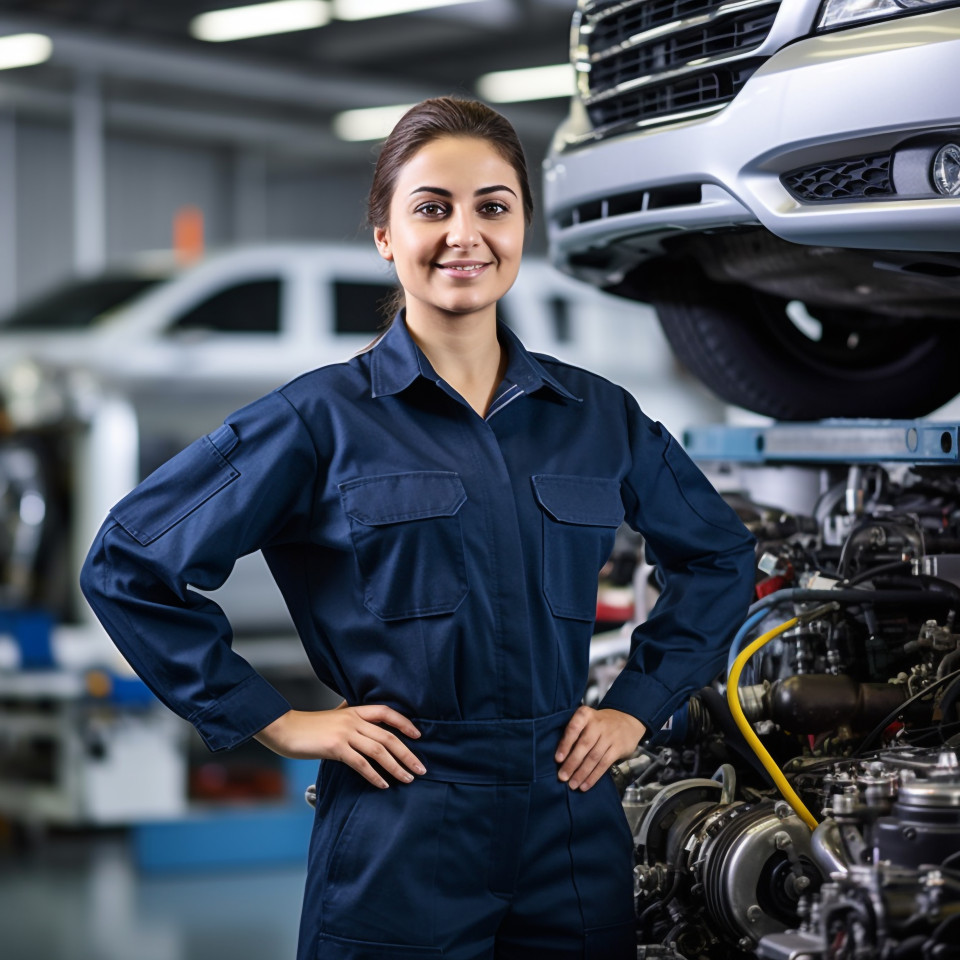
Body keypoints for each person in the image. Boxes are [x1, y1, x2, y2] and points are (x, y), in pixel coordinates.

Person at [80, 97, 757, 960]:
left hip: (570, 817)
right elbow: (128, 562)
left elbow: (720, 557)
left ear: (522, 230)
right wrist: (279, 722)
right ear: (385, 237)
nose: (464, 234)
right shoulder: (317, 421)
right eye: (432, 208)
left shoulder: (599, 417)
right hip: (402, 821)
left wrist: (635, 706)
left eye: (493, 207)